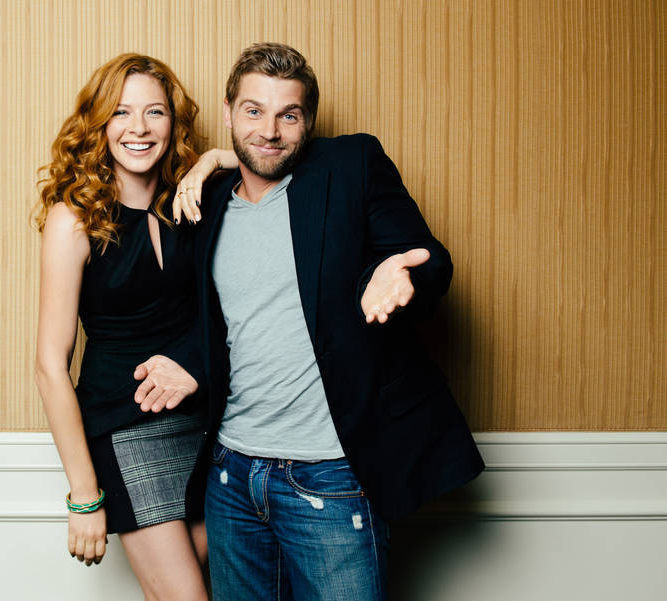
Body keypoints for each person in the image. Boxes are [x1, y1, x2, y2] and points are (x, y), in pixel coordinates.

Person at [158, 43, 486, 600]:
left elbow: (429, 259)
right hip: (232, 475)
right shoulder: (206, 202)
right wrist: (189, 363)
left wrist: (403, 276)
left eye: (288, 115)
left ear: (308, 121)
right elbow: (228, 318)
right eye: (254, 110)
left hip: (329, 477)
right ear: (229, 111)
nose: (270, 130)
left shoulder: (350, 166)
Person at [33, 53, 210, 600]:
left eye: (155, 112)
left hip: (206, 426)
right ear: (99, 123)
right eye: (121, 112)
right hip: (125, 429)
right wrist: (84, 495)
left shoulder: (192, 203)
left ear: (173, 124)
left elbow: (277, 166)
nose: (139, 128)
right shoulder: (73, 219)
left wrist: (212, 161)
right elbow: (49, 366)